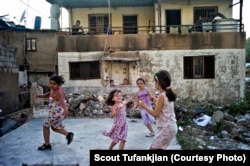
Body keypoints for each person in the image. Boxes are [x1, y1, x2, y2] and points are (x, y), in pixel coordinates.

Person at [138, 70, 177, 150]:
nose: (154, 84)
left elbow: (155, 113)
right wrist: (156, 101)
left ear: (159, 83)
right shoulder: (167, 93)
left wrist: (144, 105)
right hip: (171, 127)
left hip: (166, 128)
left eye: (155, 82)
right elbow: (163, 109)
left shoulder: (162, 96)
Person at [36, 75, 74, 151]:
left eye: (54, 84)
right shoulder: (55, 89)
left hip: (56, 113)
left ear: (59, 84)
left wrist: (66, 112)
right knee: (54, 128)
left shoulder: (58, 92)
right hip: (55, 112)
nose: (52, 85)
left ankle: (47, 145)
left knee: (45, 126)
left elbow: (63, 102)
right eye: (51, 83)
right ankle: (68, 135)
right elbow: (49, 93)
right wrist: (41, 96)